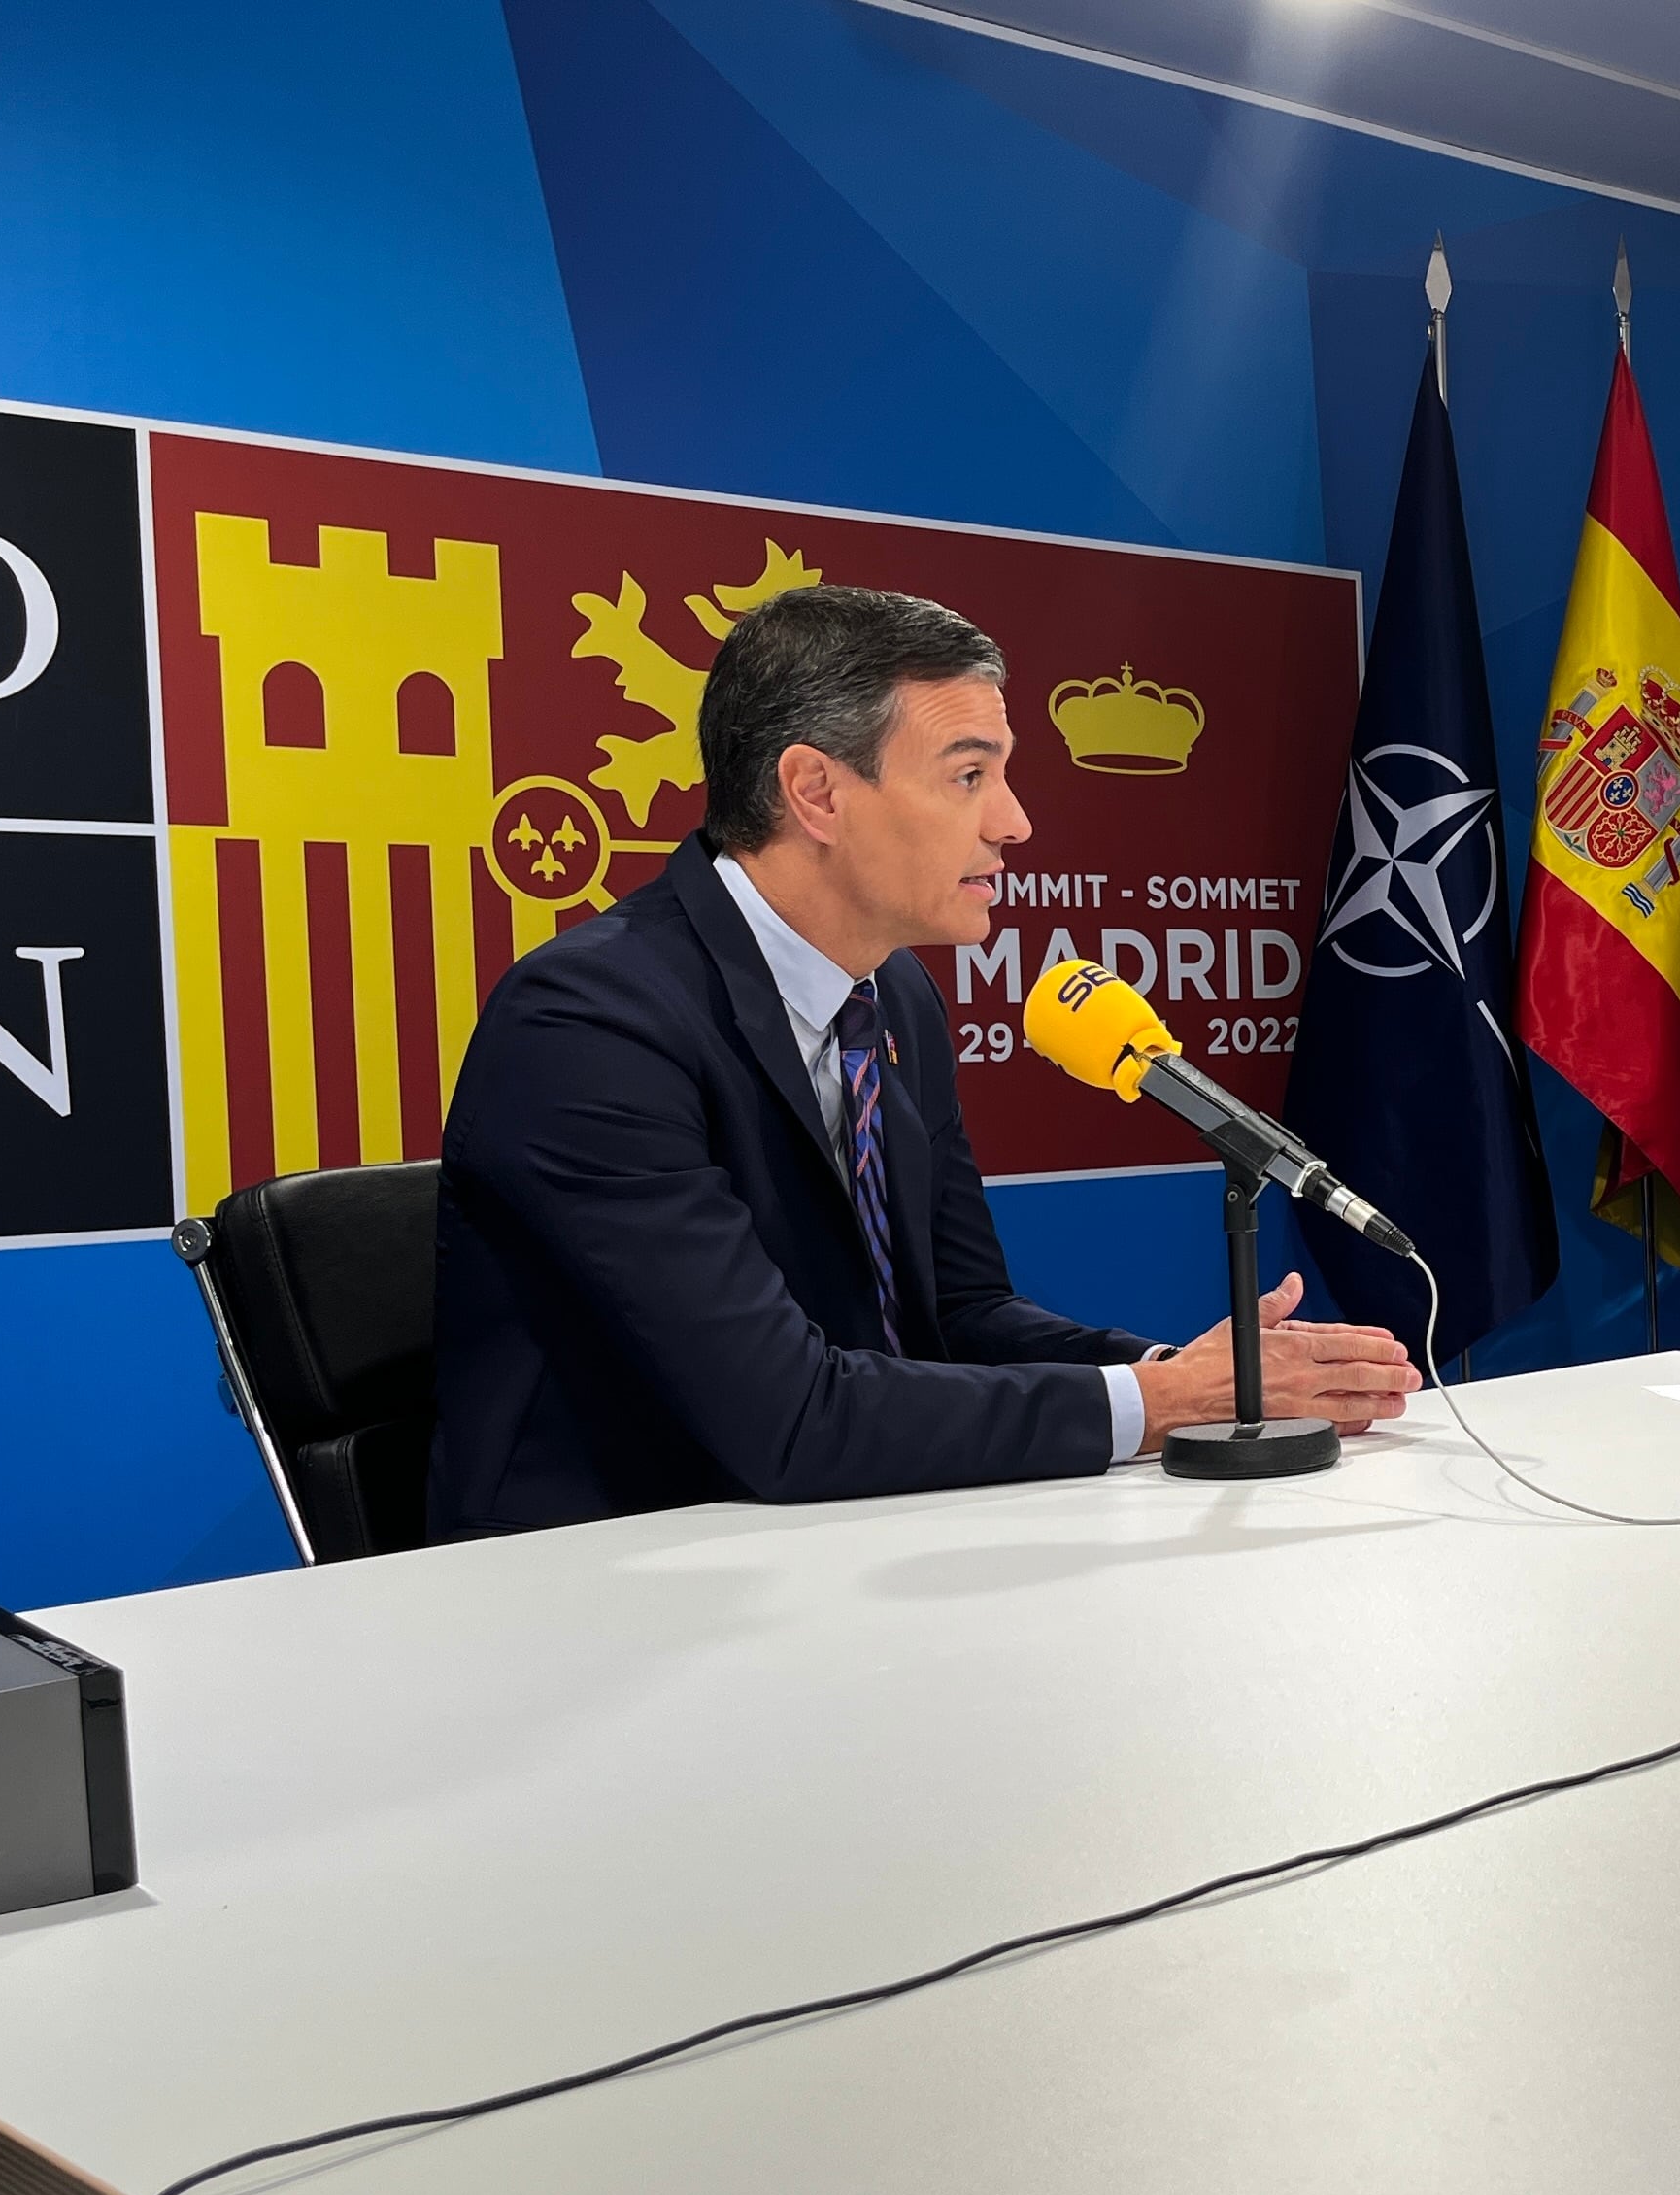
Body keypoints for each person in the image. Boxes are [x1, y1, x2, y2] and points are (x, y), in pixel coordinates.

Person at [432, 585, 1420, 1536]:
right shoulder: (590, 1023)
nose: (1014, 823)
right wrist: (1157, 1400)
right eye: (967, 775)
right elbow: (784, 1419)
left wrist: (1191, 1377)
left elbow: (957, 1313)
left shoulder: (893, 994)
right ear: (816, 791)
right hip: (594, 1585)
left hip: (830, 1543)